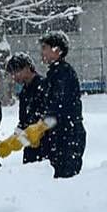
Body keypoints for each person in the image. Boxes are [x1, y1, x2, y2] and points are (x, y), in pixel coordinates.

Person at [36, 33, 86, 178]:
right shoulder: (54, 73)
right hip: (62, 133)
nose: (42, 52)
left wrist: (42, 123)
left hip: (67, 135)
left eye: (45, 48)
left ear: (57, 50)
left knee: (64, 179)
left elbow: (58, 105)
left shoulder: (62, 74)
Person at [4, 55, 48, 164]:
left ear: (27, 68)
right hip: (30, 146)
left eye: (16, 72)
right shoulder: (24, 92)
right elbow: (24, 121)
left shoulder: (44, 86)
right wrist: (13, 140)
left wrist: (38, 130)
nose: (14, 77)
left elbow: (50, 117)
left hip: (47, 144)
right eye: (12, 74)